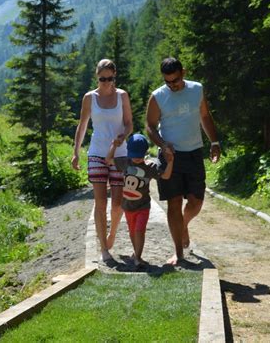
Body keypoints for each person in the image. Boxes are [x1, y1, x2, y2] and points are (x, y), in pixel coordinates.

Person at [146, 57, 220, 266]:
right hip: (171, 156)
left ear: (183, 73)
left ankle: (184, 224)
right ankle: (178, 254)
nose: (173, 85)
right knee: (174, 203)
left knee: (196, 202)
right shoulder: (158, 97)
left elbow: (205, 116)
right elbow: (150, 126)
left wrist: (214, 141)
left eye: (176, 80)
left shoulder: (197, 89)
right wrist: (162, 144)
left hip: (194, 153)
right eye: (168, 81)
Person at [72, 59, 133, 262]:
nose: (106, 82)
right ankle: (104, 249)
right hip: (97, 153)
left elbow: (129, 123)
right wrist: (76, 152)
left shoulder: (122, 96)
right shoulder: (90, 98)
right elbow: (82, 126)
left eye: (110, 78)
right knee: (100, 202)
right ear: (96, 77)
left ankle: (112, 233)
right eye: (102, 79)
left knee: (117, 204)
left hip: (120, 153)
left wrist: (122, 137)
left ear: (114, 76)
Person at [106, 133, 174, 267]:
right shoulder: (125, 162)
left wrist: (171, 161)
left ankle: (137, 257)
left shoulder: (150, 167)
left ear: (145, 153)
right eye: (134, 155)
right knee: (132, 232)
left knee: (139, 230)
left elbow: (165, 176)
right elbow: (108, 159)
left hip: (143, 206)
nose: (137, 158)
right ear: (128, 152)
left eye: (139, 155)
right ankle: (136, 254)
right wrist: (114, 146)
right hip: (127, 206)